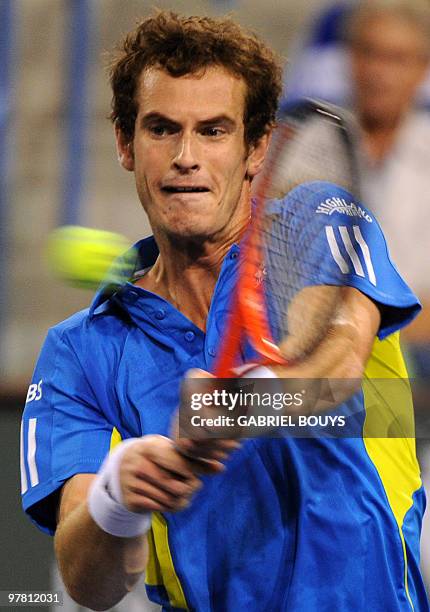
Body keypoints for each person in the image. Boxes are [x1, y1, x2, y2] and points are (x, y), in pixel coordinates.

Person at [20, 11, 429, 611]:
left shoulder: (316, 220)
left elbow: (335, 364)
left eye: (213, 131)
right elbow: (90, 585)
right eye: (162, 129)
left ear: (256, 148)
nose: (186, 156)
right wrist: (120, 496)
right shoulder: (78, 351)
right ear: (125, 143)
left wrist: (229, 405)